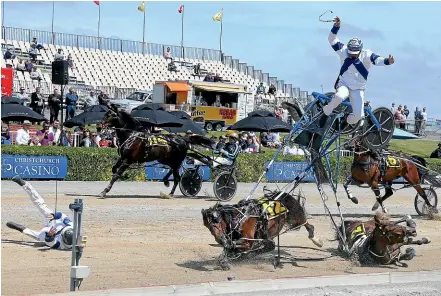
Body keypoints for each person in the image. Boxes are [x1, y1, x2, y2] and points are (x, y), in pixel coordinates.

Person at [323, 16, 395, 126]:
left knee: (357, 116)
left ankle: (346, 123)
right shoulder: (343, 50)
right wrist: (336, 26)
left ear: (360, 49)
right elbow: (332, 39)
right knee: (339, 96)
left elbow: (377, 60)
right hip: (344, 84)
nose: (352, 54)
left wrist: (387, 61)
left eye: (354, 52)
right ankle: (327, 110)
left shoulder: (367, 54)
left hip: (358, 89)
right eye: (350, 51)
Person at [6, 175, 74, 250]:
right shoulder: (72, 227)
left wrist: (50, 235)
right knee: (40, 203)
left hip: (49, 233)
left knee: (38, 237)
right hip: (54, 221)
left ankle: (22, 229)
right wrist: (54, 215)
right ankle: (24, 184)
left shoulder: (61, 245)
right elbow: (62, 216)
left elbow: (50, 242)